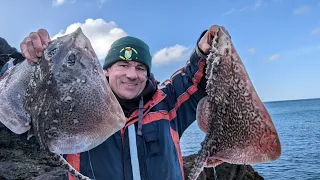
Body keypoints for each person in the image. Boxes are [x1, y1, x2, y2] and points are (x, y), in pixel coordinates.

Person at [20, 25, 230, 180]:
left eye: (140, 68)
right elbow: (31, 94)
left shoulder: (168, 104)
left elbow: (196, 77)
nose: (132, 74)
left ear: (147, 74)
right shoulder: (71, 105)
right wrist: (37, 57)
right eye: (123, 65)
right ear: (106, 70)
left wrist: (204, 48)